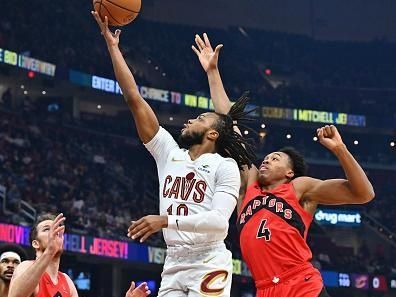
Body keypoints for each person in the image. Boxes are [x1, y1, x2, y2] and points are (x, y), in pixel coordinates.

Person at [193, 33, 375, 297]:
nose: (266, 159)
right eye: (267, 157)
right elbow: (230, 125)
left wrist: (341, 150)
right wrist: (212, 72)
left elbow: (364, 193)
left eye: (276, 158)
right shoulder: (250, 185)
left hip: (301, 284)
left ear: (289, 172)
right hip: (266, 289)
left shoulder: (300, 188)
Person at [91, 11, 256, 297]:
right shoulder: (168, 151)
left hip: (209, 259)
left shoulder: (225, 165)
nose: (190, 120)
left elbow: (219, 222)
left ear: (213, 134)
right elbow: (134, 98)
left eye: (201, 119)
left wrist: (165, 220)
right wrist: (113, 48)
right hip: (174, 259)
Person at [9, 214, 150, 297]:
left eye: (58, 230)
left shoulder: (66, 281)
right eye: (47, 229)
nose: (55, 233)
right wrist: (49, 251)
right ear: (35, 243)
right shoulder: (25, 267)